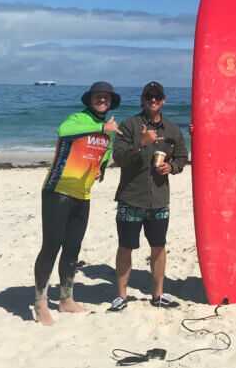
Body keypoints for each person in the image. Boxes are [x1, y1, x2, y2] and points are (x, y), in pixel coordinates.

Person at [33, 81, 120, 326]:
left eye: (106, 97)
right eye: (98, 96)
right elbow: (63, 132)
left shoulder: (108, 131)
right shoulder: (78, 119)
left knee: (73, 248)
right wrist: (102, 126)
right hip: (57, 190)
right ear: (90, 99)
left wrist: (102, 169)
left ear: (111, 102)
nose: (102, 100)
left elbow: (104, 154)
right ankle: (40, 302)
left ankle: (65, 299)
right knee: (51, 246)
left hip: (82, 195)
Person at [109, 81, 188, 312]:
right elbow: (119, 158)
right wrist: (141, 145)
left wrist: (172, 167)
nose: (153, 100)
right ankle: (122, 297)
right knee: (126, 247)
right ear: (142, 99)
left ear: (163, 100)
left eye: (157, 97)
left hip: (160, 199)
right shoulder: (129, 126)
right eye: (149, 96)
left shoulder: (172, 129)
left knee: (158, 246)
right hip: (131, 197)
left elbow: (183, 156)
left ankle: (158, 295)